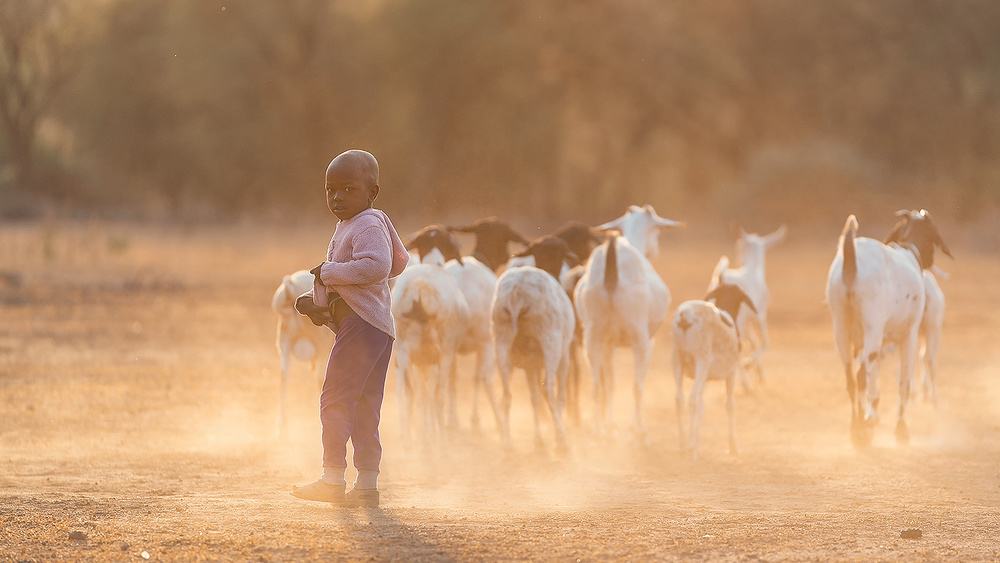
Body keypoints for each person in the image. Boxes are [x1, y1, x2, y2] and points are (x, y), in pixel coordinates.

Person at [291, 149, 409, 507]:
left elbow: (377, 265)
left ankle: (331, 479)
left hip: (361, 327)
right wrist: (321, 300)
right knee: (364, 405)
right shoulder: (368, 221)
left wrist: (327, 274)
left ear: (372, 192)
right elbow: (399, 261)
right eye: (331, 190)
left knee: (335, 399)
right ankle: (367, 487)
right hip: (375, 328)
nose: (337, 197)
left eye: (348, 189)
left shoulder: (367, 223)